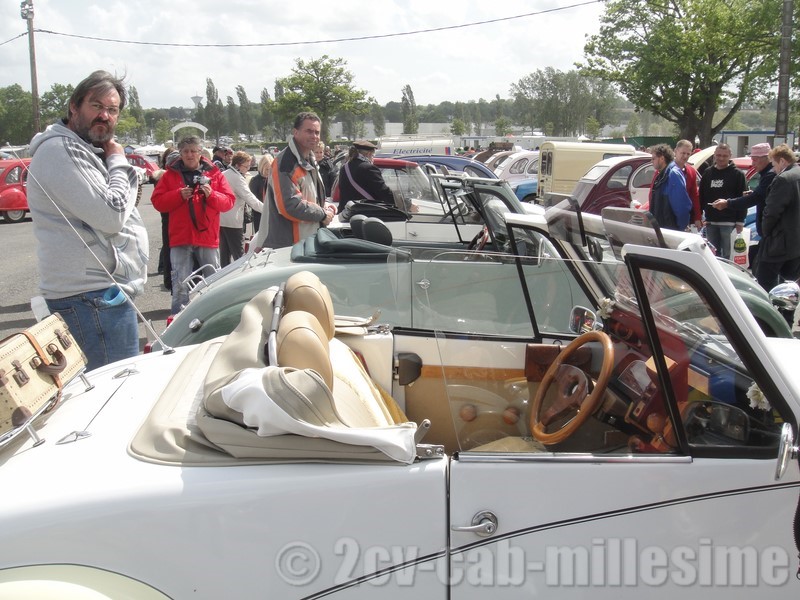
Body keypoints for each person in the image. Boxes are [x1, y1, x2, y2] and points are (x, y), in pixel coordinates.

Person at [26, 70, 148, 371]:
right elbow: (111, 215)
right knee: (115, 396)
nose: (104, 115)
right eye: (96, 106)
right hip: (90, 300)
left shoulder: (81, 149)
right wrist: (119, 160)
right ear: (74, 107)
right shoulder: (61, 149)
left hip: (98, 296)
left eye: (112, 109)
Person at [152, 135, 235, 315]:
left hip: (207, 237)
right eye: (185, 151)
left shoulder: (214, 173)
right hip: (181, 237)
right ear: (180, 153)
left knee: (213, 281)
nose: (190, 155)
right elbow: (157, 202)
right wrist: (178, 195)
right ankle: (177, 321)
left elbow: (229, 202)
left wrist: (211, 195)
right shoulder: (170, 175)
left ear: (200, 153)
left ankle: (216, 316)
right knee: (180, 284)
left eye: (193, 151)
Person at [254, 112, 334, 250]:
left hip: (305, 243)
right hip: (288, 248)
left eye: (317, 132)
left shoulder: (309, 159)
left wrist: (325, 206)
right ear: (295, 132)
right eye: (309, 131)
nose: (314, 136)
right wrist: (322, 214)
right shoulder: (286, 164)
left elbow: (310, 197)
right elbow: (290, 206)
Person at [711, 143, 776, 272]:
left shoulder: (769, 175)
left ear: (766, 159)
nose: (753, 163)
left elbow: (754, 199)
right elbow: (760, 195)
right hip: (713, 220)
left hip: (770, 232)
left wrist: (727, 203)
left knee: (765, 272)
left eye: (755, 160)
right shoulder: (709, 172)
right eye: (718, 155)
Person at [754, 144, 800, 291]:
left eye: (773, 164)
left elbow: (772, 212)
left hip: (778, 243)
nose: (773, 169)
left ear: (782, 161)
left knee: (764, 284)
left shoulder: (783, 179)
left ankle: (766, 314)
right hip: (795, 244)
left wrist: (765, 232)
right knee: (789, 287)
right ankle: (786, 314)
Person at [699, 143, 747, 259]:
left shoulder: (738, 174)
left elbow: (743, 199)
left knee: (728, 256)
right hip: (711, 222)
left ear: (730, 156)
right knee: (712, 256)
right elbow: (701, 195)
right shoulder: (708, 173)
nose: (721, 158)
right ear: (714, 155)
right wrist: (699, 216)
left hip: (730, 223)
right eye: (718, 155)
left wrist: (740, 221)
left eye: (725, 156)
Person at [220, 151, 264, 267]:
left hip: (221, 219)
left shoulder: (224, 174)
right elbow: (251, 199)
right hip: (233, 221)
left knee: (224, 255)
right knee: (239, 256)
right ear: (238, 165)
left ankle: (223, 281)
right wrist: (268, 211)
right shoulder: (237, 178)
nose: (248, 169)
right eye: (246, 166)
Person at [336, 140, 395, 213]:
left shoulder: (344, 168)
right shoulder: (369, 168)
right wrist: (405, 203)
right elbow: (384, 193)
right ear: (369, 154)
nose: (373, 158)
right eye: (373, 155)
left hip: (346, 214)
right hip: (365, 215)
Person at [648, 144, 693, 231]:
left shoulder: (673, 174)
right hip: (662, 227)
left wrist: (679, 229)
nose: (651, 161)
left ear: (662, 158)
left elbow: (681, 205)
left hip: (671, 229)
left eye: (653, 158)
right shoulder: (662, 174)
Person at [673, 139, 702, 230]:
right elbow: (653, 193)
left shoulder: (691, 171)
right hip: (668, 214)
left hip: (685, 216)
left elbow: (694, 195)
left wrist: (697, 217)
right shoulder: (665, 170)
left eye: (688, 154)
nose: (685, 156)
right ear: (675, 151)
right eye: (683, 153)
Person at [248, 154, 273, 235]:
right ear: (262, 167)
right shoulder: (255, 181)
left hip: (272, 215)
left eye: (270, 169)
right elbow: (253, 200)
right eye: (266, 169)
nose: (268, 172)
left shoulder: (273, 179)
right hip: (259, 215)